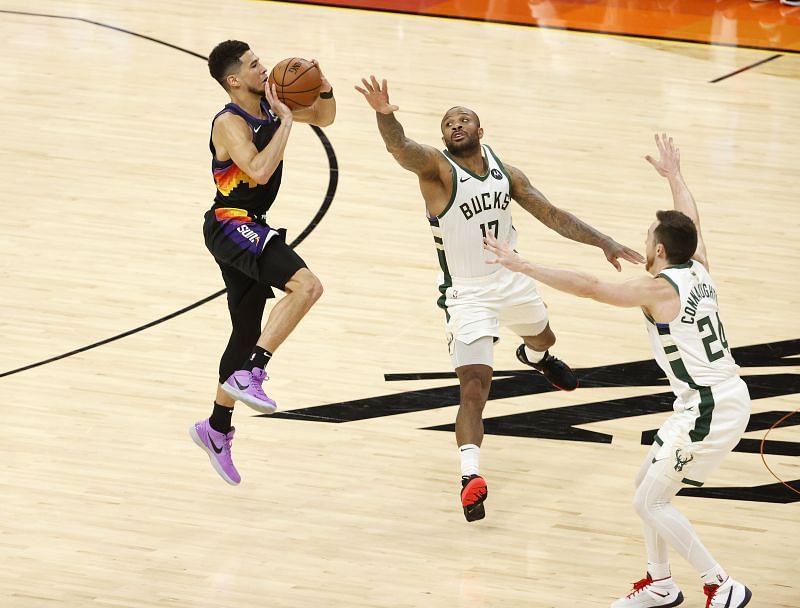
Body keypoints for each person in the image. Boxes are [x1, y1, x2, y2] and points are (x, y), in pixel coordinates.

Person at [355, 75, 644, 522]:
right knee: (473, 387)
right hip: (467, 294)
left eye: (464, 118)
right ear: (444, 136)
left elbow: (552, 214)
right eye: (449, 122)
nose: (456, 124)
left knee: (545, 337)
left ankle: (538, 358)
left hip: (512, 279)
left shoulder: (504, 171)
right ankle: (470, 477)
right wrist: (385, 115)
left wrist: (603, 241)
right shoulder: (438, 168)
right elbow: (401, 149)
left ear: (480, 130)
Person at [484, 134, 752, 608]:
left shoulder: (658, 290)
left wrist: (522, 264)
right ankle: (661, 583)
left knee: (650, 502)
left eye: (649, 239)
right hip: (709, 399)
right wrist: (675, 178)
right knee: (644, 485)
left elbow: (590, 287)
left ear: (662, 252)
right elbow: (691, 221)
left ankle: (721, 584)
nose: (644, 242)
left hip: (711, 407)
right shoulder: (699, 267)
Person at [189, 40, 336, 485]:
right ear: (235, 79)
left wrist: (321, 84)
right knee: (307, 286)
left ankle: (215, 427)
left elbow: (326, 116)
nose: (264, 66)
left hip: (247, 223)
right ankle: (254, 370)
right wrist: (287, 122)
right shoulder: (230, 122)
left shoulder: (271, 106)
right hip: (231, 222)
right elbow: (257, 171)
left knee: (248, 327)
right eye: (254, 64)